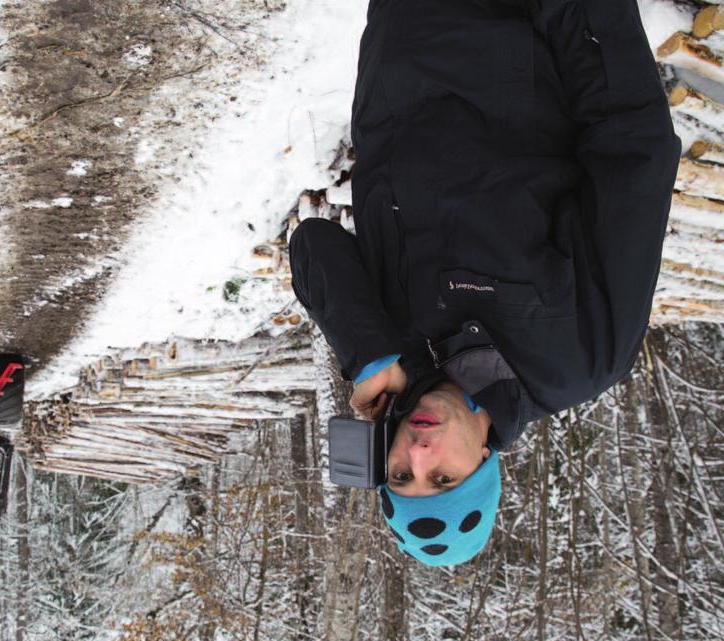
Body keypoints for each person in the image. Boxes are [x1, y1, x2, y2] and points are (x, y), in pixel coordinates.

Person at [289, 0, 680, 566]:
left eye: (401, 473)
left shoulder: (391, 348)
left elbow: (313, 246)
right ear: (484, 464)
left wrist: (367, 354)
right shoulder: (585, 358)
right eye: (442, 477)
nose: (419, 452)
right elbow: (633, 152)